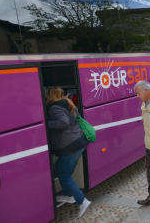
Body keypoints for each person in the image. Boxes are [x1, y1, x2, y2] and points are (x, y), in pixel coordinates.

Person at [46, 87, 91, 218]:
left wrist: (46, 124)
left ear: (50, 96)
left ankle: (82, 200)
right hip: (79, 141)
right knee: (60, 168)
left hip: (69, 145)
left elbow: (63, 123)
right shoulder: (68, 103)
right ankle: (68, 195)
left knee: (64, 175)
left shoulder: (54, 108)